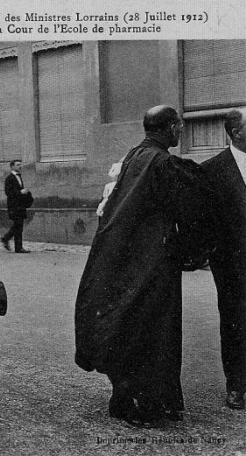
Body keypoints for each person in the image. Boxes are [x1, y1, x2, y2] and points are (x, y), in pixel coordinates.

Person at [74, 105, 213, 428]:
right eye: (178, 125)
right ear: (168, 128)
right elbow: (193, 209)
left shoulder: (134, 156)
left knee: (129, 325)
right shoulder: (162, 163)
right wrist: (192, 250)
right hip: (152, 262)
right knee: (154, 331)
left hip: (127, 258)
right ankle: (146, 405)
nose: (181, 130)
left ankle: (123, 398)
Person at [202, 108, 246, 410]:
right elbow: (206, 223)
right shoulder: (213, 170)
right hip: (233, 264)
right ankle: (237, 385)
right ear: (236, 133)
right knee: (235, 322)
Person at [1, 159, 33, 253]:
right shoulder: (9, 178)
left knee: (18, 225)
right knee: (18, 226)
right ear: (12, 167)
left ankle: (6, 239)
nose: (20, 166)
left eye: (20, 164)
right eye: (18, 165)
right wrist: (20, 192)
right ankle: (18, 247)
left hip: (20, 205)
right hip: (14, 206)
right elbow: (8, 192)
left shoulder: (18, 177)